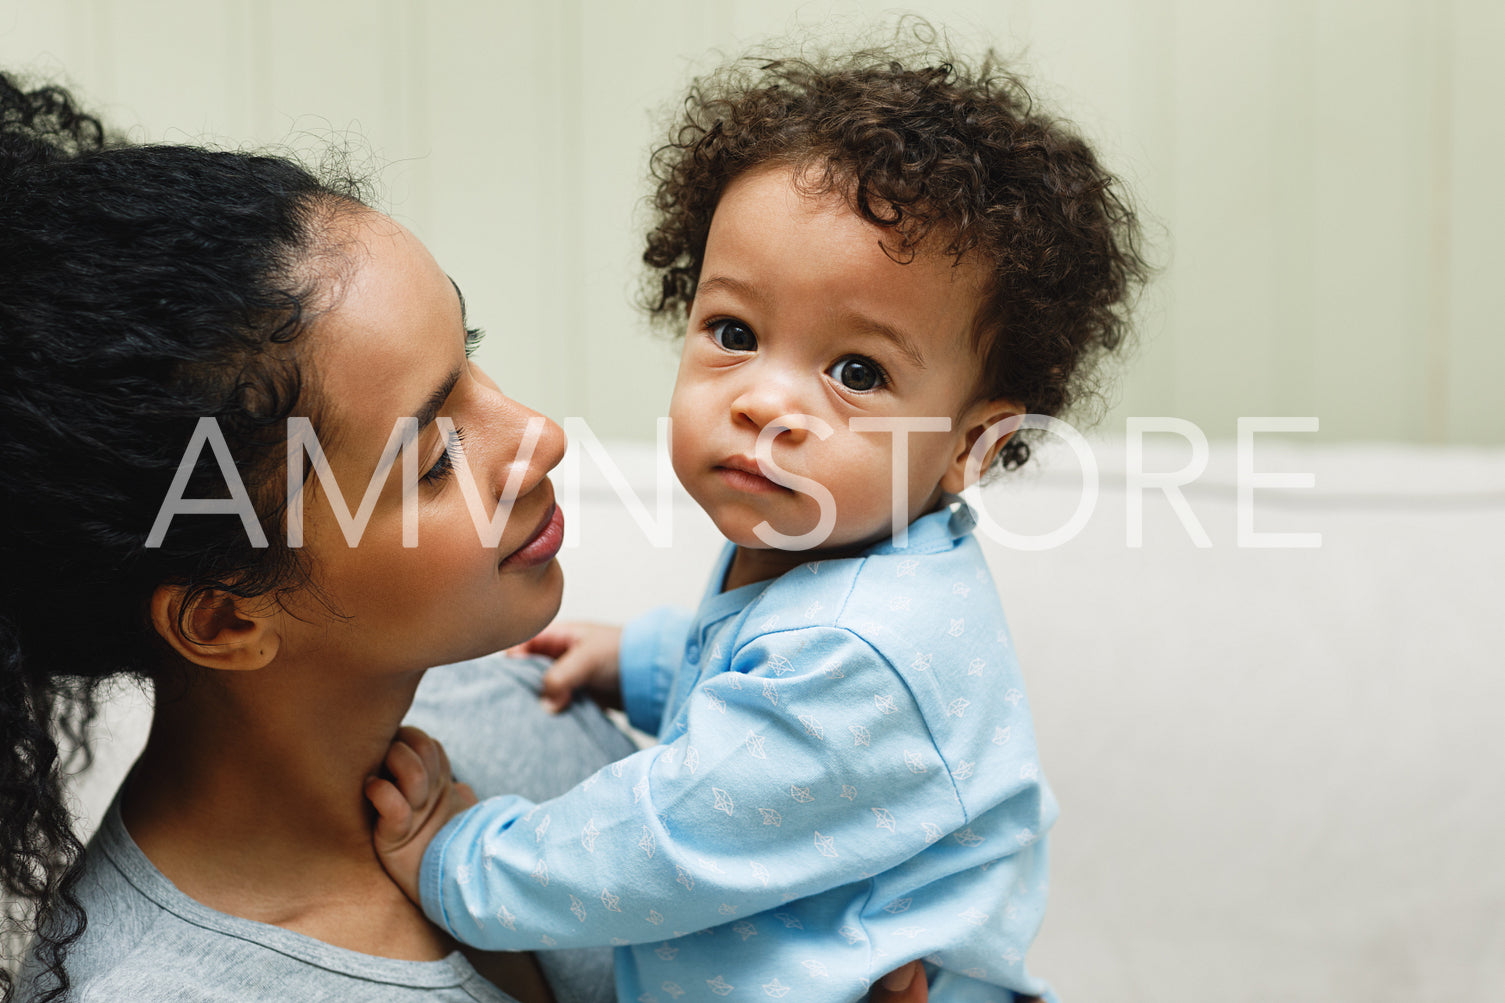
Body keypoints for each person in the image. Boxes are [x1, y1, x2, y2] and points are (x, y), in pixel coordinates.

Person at [0, 72, 932, 1003]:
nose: (543, 437)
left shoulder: (516, 698)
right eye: (432, 455)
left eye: (469, 349)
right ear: (221, 618)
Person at [367, 42, 1148, 1003]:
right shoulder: (815, 546)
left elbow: (659, 842)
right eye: (734, 334)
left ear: (969, 448)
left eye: (856, 371)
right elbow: (755, 694)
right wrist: (645, 661)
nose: (763, 400)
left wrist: (455, 852)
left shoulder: (859, 648)